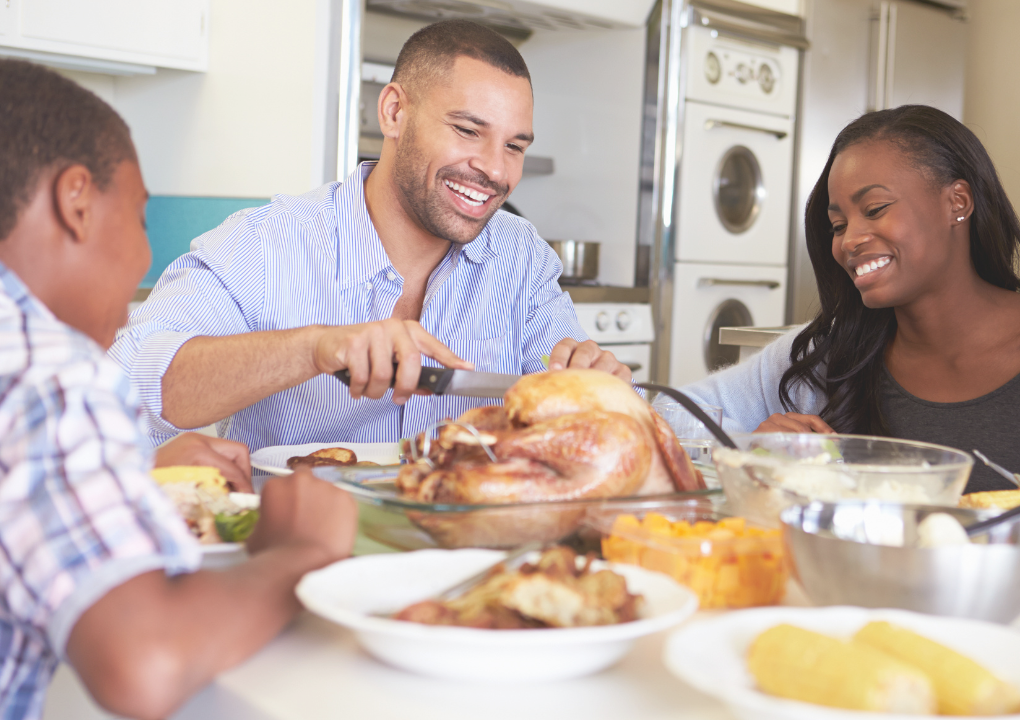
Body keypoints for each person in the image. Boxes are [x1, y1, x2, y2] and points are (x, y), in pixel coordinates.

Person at [0, 59, 357, 719]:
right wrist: (302, 552)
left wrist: (133, 471)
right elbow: (146, 663)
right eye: (138, 218)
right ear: (76, 199)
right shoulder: (55, 371)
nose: (143, 255)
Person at [109, 20, 622, 452]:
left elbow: (580, 417)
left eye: (514, 146)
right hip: (304, 556)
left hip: (473, 556)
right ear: (395, 112)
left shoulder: (521, 257)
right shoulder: (267, 246)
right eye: (468, 131)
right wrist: (314, 348)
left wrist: (596, 387)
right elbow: (123, 387)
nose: (494, 170)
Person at [681, 105, 1020, 496]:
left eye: (875, 209)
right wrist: (746, 446)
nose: (849, 240)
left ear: (957, 201)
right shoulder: (829, 353)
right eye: (838, 223)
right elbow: (668, 419)